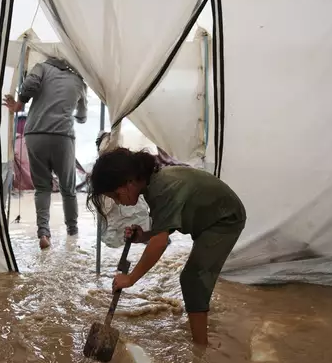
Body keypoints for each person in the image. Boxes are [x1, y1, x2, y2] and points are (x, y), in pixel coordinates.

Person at [86, 147, 246, 345]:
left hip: (225, 220)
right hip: (210, 219)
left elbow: (160, 243)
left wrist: (131, 278)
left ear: (127, 182)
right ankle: (199, 331)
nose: (118, 203)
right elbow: (165, 226)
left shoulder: (162, 189)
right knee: (194, 277)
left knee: (193, 278)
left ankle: (200, 348)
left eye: (116, 196)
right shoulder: (154, 184)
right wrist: (143, 235)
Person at [4, 57, 88, 249]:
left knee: (42, 188)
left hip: (35, 134)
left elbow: (30, 84)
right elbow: (82, 117)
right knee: (68, 190)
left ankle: (44, 233)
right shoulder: (79, 82)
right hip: (62, 136)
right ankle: (72, 234)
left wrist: (20, 103)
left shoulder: (41, 67)